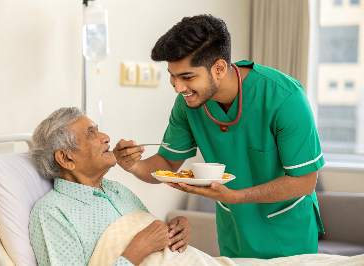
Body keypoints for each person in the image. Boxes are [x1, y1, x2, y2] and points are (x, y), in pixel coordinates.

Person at [113, 14, 325, 259]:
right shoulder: (187, 104)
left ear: (219, 68)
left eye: (187, 77)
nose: (178, 87)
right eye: (173, 76)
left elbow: (304, 181)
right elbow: (166, 164)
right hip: (233, 234)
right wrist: (134, 165)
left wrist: (235, 196)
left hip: (288, 235)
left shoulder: (284, 98)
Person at [28, 107, 190, 266]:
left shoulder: (117, 190)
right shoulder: (52, 212)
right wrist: (139, 250)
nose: (106, 137)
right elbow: (146, 242)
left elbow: (153, 236)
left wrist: (175, 231)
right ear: (66, 159)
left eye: (98, 130)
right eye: (90, 133)